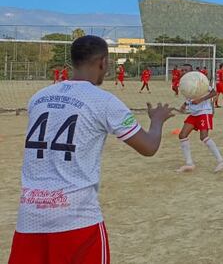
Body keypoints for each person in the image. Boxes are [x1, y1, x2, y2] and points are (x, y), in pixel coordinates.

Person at [8, 35, 174, 264]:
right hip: (76, 221)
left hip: (29, 219)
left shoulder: (38, 98)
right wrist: (157, 120)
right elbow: (148, 147)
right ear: (103, 62)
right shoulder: (104, 101)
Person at [176, 85, 223, 173]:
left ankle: (221, 161)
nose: (184, 71)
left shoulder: (202, 82)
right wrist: (184, 104)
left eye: (186, 70)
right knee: (182, 135)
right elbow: (190, 97)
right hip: (194, 113)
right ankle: (189, 164)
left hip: (204, 112)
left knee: (203, 137)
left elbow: (214, 92)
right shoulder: (187, 82)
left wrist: (201, 99)